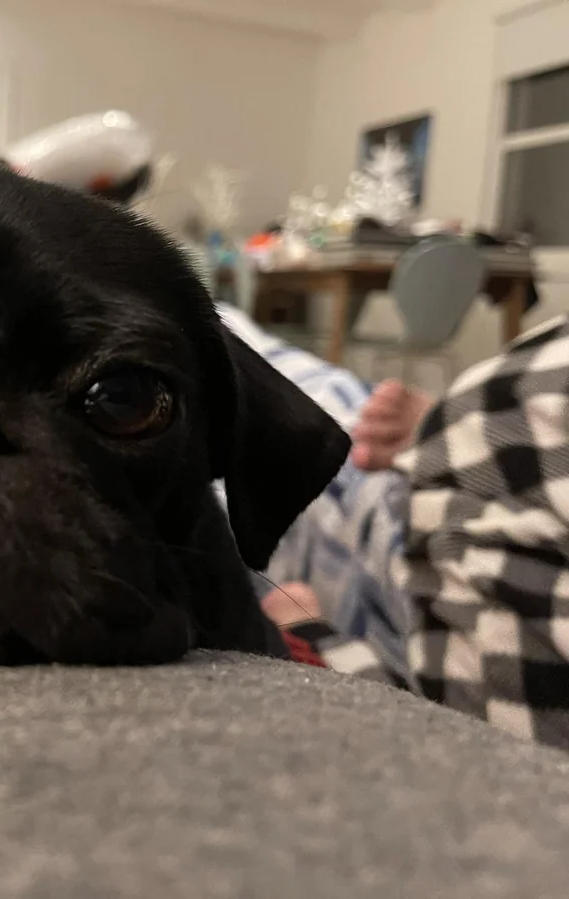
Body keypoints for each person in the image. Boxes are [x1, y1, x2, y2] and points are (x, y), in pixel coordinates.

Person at [236, 303, 569, 750]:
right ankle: (460, 428)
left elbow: (483, 737)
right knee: (252, 355)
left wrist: (312, 640)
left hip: (404, 573)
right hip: (470, 456)